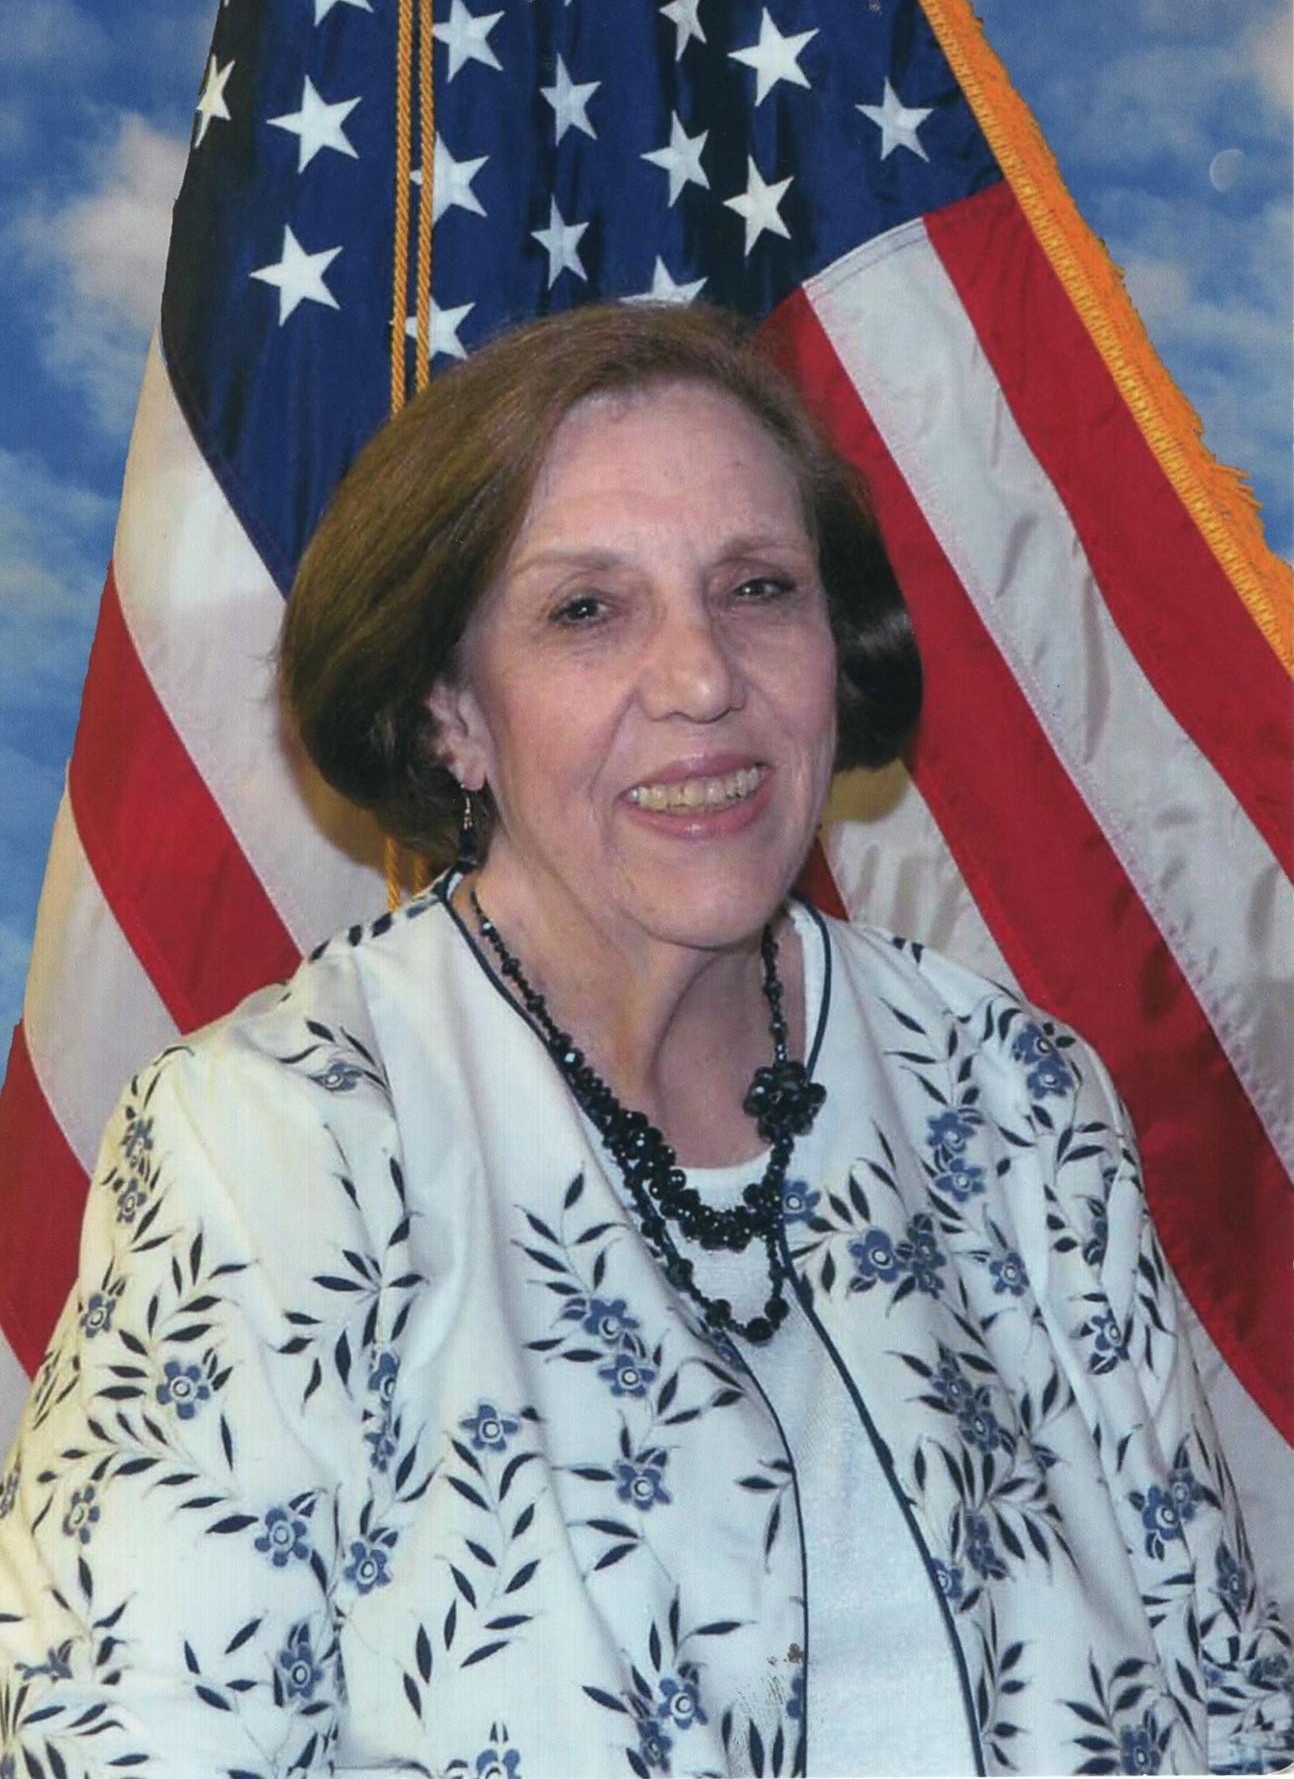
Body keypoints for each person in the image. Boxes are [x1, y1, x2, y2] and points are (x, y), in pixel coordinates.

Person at [0, 304, 1289, 1779]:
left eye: (757, 588)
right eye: (586, 611)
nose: (701, 679)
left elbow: (1231, 1697)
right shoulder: (283, 1143)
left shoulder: (1015, 1095)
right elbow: (134, 1748)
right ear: (448, 713)